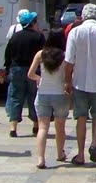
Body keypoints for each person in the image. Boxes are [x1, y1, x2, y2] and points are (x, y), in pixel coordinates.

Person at [64, 3, 96, 165]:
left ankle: (80, 154)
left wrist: (67, 81)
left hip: (79, 80)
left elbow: (69, 61)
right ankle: (94, 143)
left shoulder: (75, 32)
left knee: (81, 116)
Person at [28, 30, 69, 169]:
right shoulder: (65, 56)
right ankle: (59, 153)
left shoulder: (40, 54)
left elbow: (30, 74)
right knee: (60, 127)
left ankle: (40, 159)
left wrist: (39, 78)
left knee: (43, 128)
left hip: (43, 94)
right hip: (60, 94)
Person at [4, 10, 45, 138]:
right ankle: (36, 125)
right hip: (33, 71)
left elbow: (7, 54)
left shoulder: (15, 36)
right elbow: (43, 55)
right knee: (33, 97)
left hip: (16, 70)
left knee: (16, 97)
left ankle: (13, 127)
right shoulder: (39, 37)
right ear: (32, 23)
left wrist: (7, 69)